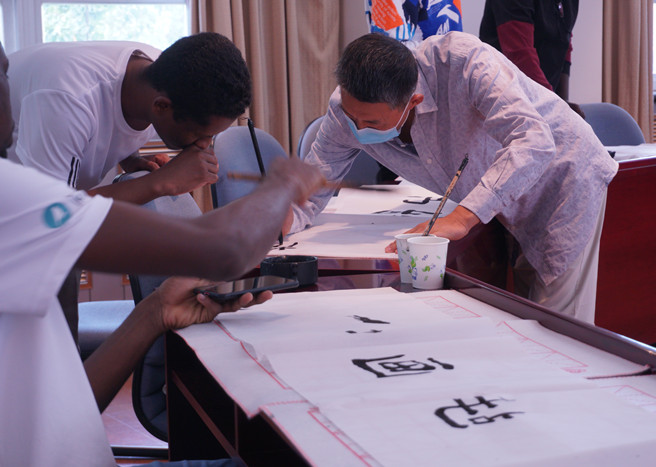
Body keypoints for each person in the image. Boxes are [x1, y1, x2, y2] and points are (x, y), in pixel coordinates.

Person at [0, 41, 326, 466]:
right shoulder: (19, 185)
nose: (12, 81)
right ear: (161, 107)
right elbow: (223, 251)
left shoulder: (157, 75)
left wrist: (156, 311)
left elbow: (66, 408)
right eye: (3, 72)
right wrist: (281, 184)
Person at [290, 32, 618, 323]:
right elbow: (312, 186)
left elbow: (534, 141)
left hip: (562, 182)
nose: (357, 129)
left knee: (556, 328)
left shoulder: (466, 63)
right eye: (352, 118)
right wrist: (282, 218)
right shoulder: (345, 110)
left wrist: (462, 217)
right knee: (523, 321)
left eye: (372, 124)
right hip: (505, 198)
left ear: (412, 102)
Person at [6, 32, 252, 342]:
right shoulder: (67, 100)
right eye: (199, 134)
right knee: (48, 328)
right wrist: (160, 183)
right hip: (16, 222)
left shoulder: (160, 77)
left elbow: (111, 121)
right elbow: (50, 219)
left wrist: (131, 158)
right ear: (161, 107)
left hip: (38, 199)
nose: (205, 145)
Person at [479, 0, 583, 115]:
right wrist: (555, 105)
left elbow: (564, 44)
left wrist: (563, 102)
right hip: (503, 105)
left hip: (542, 99)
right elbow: (521, 55)